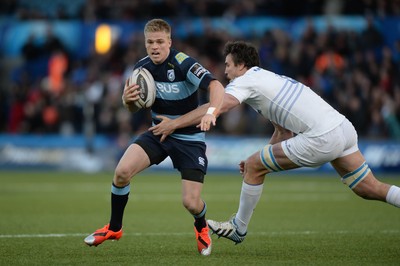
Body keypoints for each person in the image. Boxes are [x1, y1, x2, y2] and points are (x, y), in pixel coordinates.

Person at [149, 40, 400, 245]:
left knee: (254, 165)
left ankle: (239, 228)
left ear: (241, 65)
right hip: (343, 129)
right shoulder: (268, 79)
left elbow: (218, 104)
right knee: (368, 188)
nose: (225, 72)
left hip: (322, 137)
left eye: (228, 65)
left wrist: (175, 122)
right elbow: (283, 132)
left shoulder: (245, 81)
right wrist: (257, 162)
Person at [84, 18, 225, 256]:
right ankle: (114, 228)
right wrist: (127, 100)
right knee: (121, 173)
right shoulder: (141, 68)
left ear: (169, 42)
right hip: (159, 133)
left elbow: (217, 86)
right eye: (150, 42)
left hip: (190, 139)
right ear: (145, 43)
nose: (155, 47)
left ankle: (201, 226)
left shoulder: (184, 64)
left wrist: (211, 112)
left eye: (160, 41)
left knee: (191, 203)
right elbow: (132, 108)